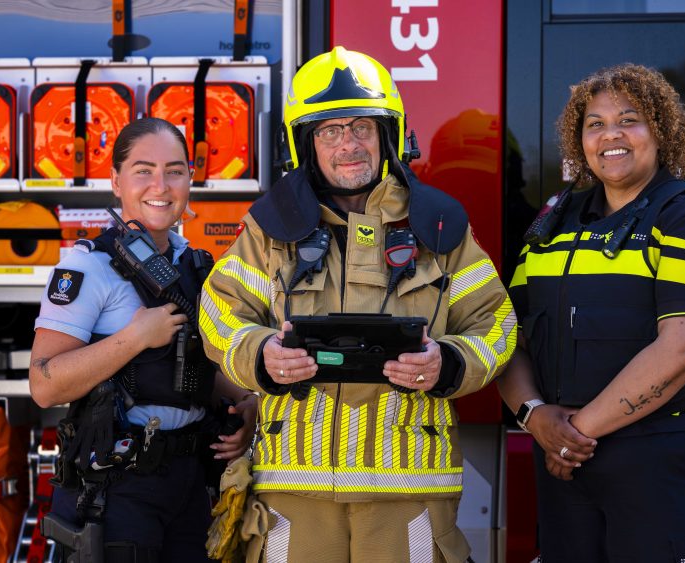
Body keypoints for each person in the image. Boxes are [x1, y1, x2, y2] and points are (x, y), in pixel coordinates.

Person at [198, 46, 517, 562]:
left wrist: (449, 361)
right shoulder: (269, 229)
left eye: (362, 127)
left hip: (408, 493)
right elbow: (218, 313)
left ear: (387, 135)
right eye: (330, 130)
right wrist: (261, 355)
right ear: (307, 143)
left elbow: (496, 324)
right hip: (293, 494)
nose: (349, 144)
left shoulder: (438, 227)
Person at [498, 63, 685, 562]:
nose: (611, 135)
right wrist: (534, 415)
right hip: (567, 464)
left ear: (662, 131)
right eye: (595, 124)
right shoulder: (554, 225)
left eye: (630, 119)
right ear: (579, 140)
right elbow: (506, 334)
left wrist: (574, 433)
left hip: (666, 466)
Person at [29, 117, 256, 562]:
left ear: (190, 179)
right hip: (119, 490)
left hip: (191, 484)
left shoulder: (197, 266)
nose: (161, 185)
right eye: (144, 170)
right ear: (116, 181)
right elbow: (44, 384)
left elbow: (186, 370)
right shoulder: (87, 268)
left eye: (174, 170)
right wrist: (134, 337)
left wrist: (246, 404)